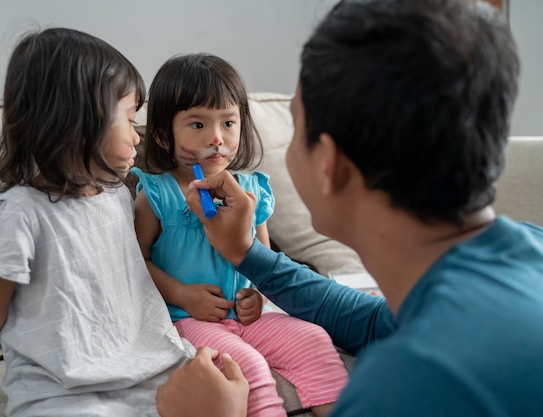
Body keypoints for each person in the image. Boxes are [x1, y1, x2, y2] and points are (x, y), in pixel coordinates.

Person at [157, 0, 543, 416]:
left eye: (295, 126)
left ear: (329, 164)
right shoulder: (525, 254)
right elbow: (371, 322)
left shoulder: (402, 387)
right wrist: (245, 254)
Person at [0, 27, 194, 417]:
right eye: (127, 117)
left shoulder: (118, 196)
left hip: (151, 367)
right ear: (78, 123)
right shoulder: (19, 214)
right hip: (61, 393)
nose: (138, 134)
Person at [131, 53, 349, 417]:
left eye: (228, 123)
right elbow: (137, 263)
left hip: (248, 316)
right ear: (161, 134)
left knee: (314, 339)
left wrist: (256, 295)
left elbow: (265, 263)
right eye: (197, 125)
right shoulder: (156, 195)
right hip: (188, 319)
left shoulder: (252, 191)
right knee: (244, 364)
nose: (217, 138)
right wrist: (183, 294)